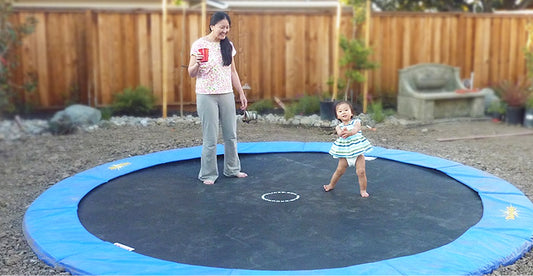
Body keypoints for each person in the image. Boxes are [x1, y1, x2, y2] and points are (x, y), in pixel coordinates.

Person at [188, 11, 248, 185]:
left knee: (231, 135)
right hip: (206, 96)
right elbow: (191, 73)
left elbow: (232, 71)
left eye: (227, 27)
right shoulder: (199, 45)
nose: (225, 30)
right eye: (222, 27)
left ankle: (232, 169)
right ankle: (208, 174)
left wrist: (241, 93)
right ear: (212, 26)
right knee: (211, 137)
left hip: (226, 94)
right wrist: (197, 63)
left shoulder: (228, 45)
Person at [323, 101, 373, 197]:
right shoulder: (339, 127)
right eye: (340, 111)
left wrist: (350, 132)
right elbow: (339, 133)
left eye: (346, 110)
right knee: (339, 171)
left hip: (358, 154)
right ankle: (331, 185)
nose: (344, 112)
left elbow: (355, 130)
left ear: (351, 113)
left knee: (361, 172)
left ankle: (363, 190)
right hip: (345, 155)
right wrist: (343, 132)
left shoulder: (356, 122)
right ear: (337, 116)